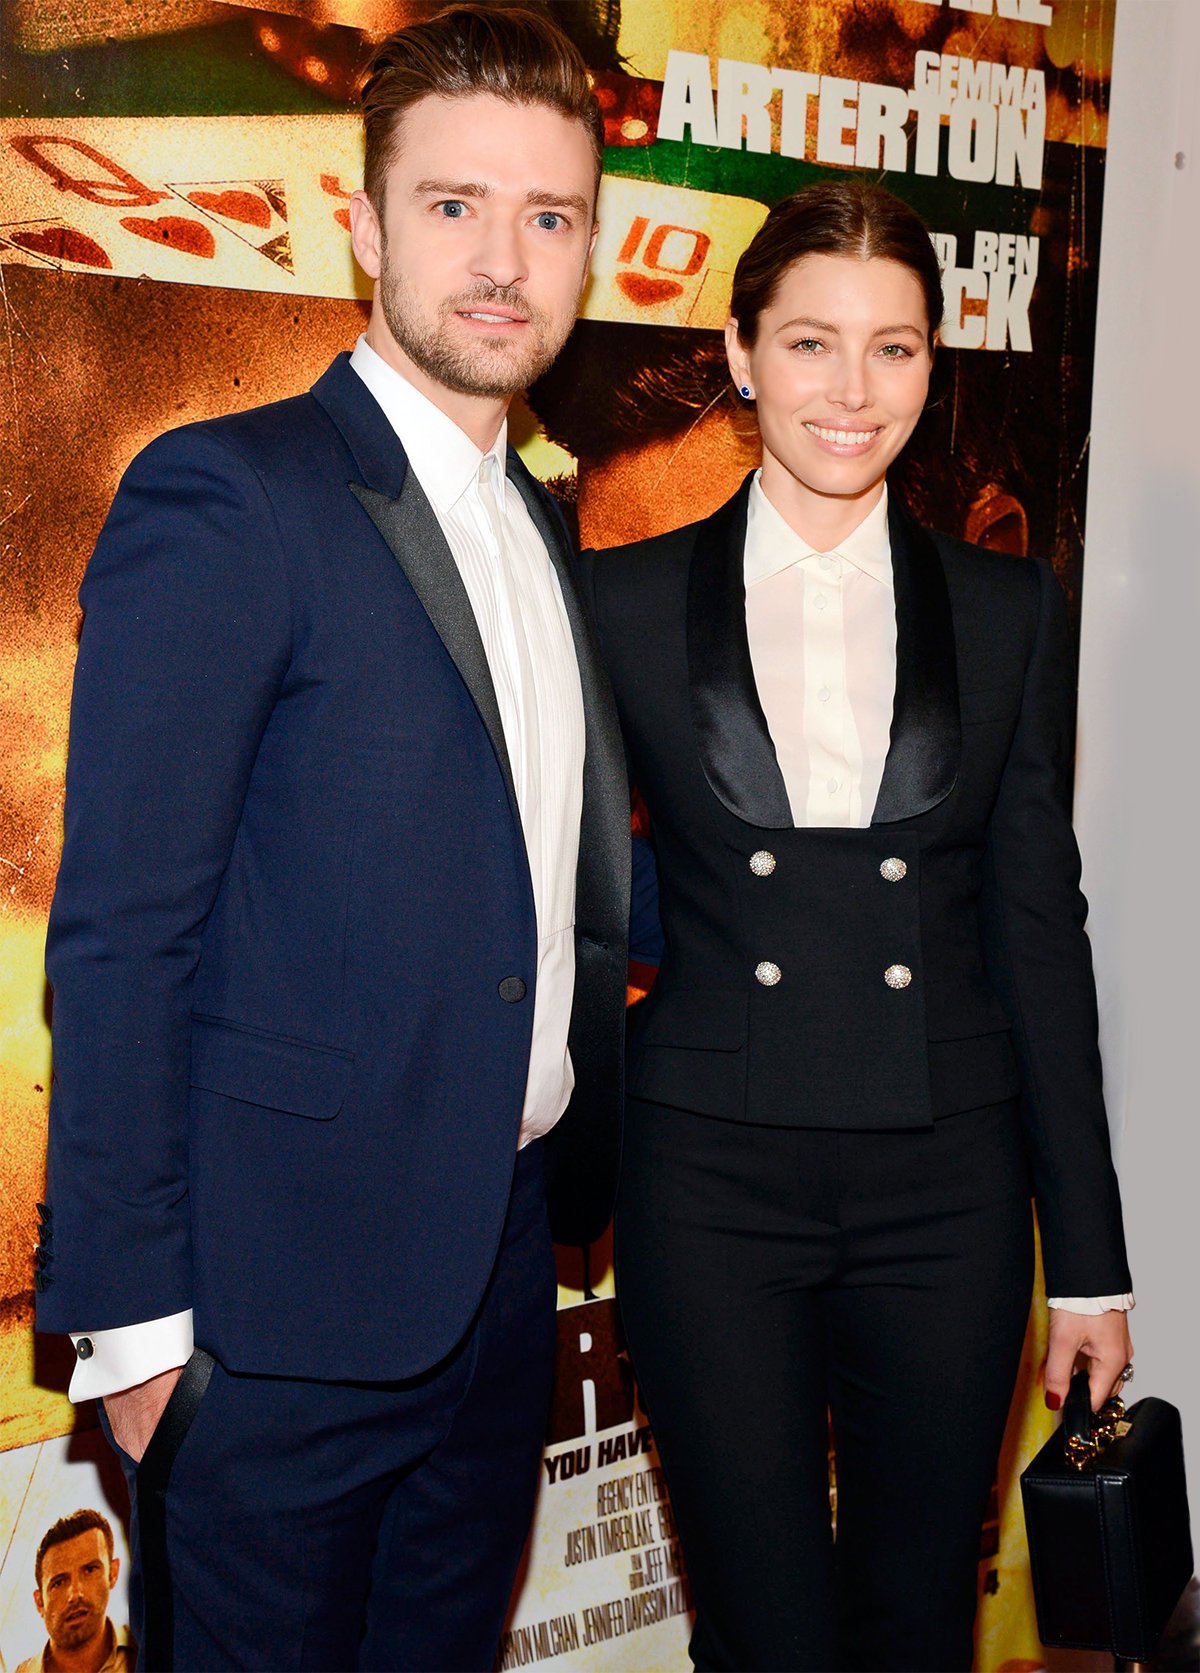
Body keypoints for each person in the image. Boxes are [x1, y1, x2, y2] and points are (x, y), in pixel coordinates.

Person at [36, 7, 629, 1668]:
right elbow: (122, 936)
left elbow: (539, 883)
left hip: (498, 1286)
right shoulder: (230, 495)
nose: (503, 259)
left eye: (549, 215)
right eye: (453, 205)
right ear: (362, 226)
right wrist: (135, 1333)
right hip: (269, 1325)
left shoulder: (541, 524)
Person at [582, 179, 1134, 1673]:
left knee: (917, 1624)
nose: (852, 389)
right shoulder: (619, 601)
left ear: (931, 368)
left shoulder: (1009, 608)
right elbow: (558, 896)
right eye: (812, 342)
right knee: (760, 1629)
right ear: (741, 352)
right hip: (711, 1180)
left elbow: (1040, 930)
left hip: (947, 1188)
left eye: (894, 348)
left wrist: (1089, 1259)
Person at [17, 1510, 130, 1673]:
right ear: (39, 1602)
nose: (75, 1594)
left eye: (90, 1570)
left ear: (112, 1573)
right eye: (58, 1583)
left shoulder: (150, 1650)